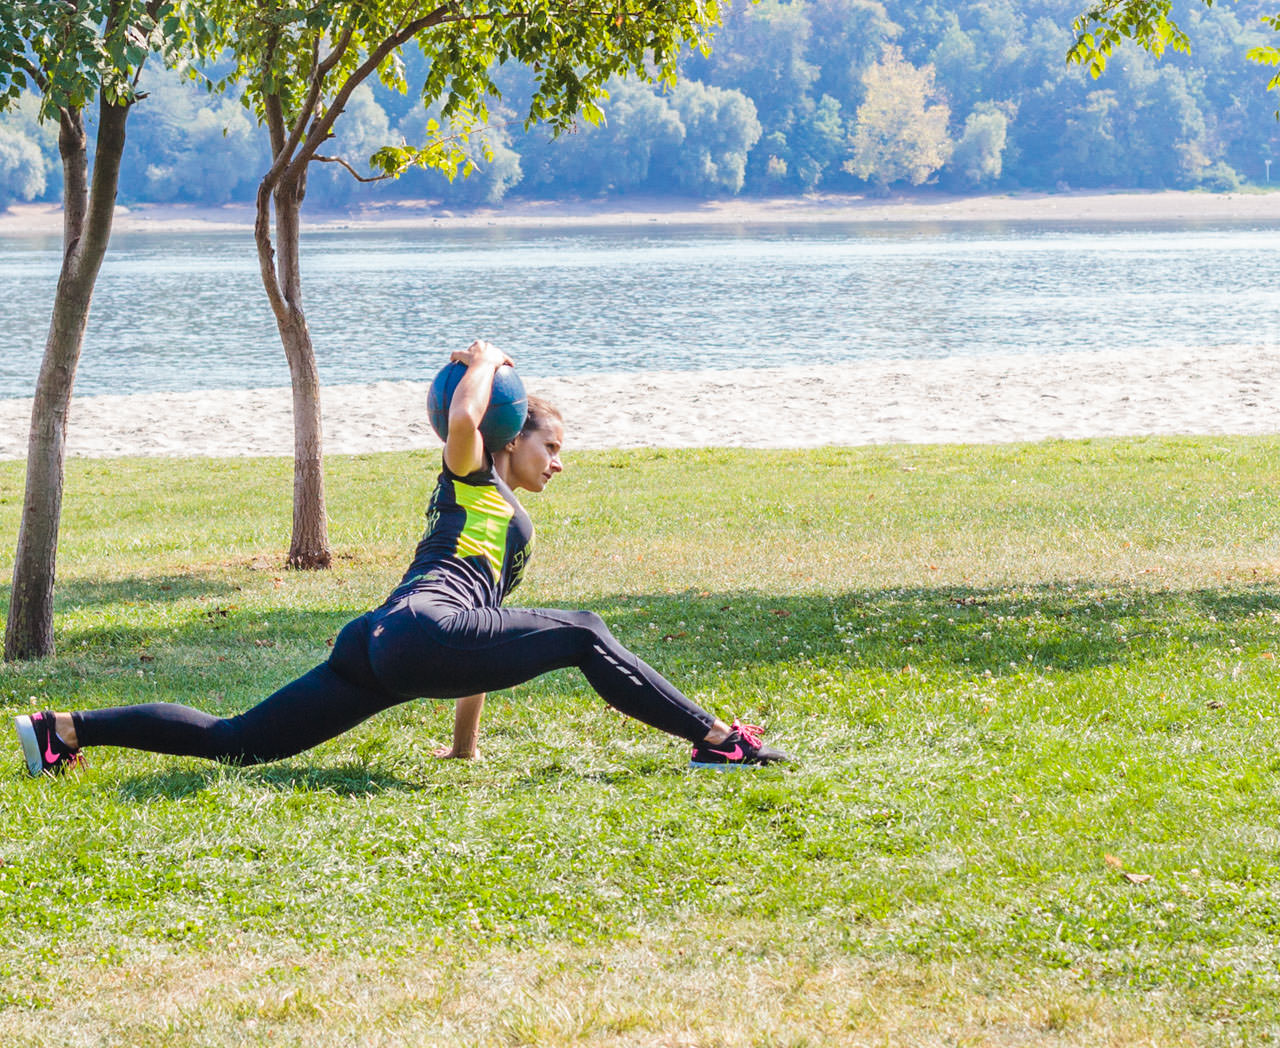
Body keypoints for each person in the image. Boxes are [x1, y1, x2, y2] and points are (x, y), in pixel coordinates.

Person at [14, 341, 790, 778]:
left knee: (237, 740)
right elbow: (463, 412)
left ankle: (64, 732)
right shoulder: (470, 477)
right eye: (549, 447)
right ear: (510, 436)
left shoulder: (496, 523)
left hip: (382, 641)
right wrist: (492, 358)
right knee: (585, 632)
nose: (557, 463)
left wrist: (463, 748)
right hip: (417, 630)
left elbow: (481, 639)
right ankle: (719, 740)